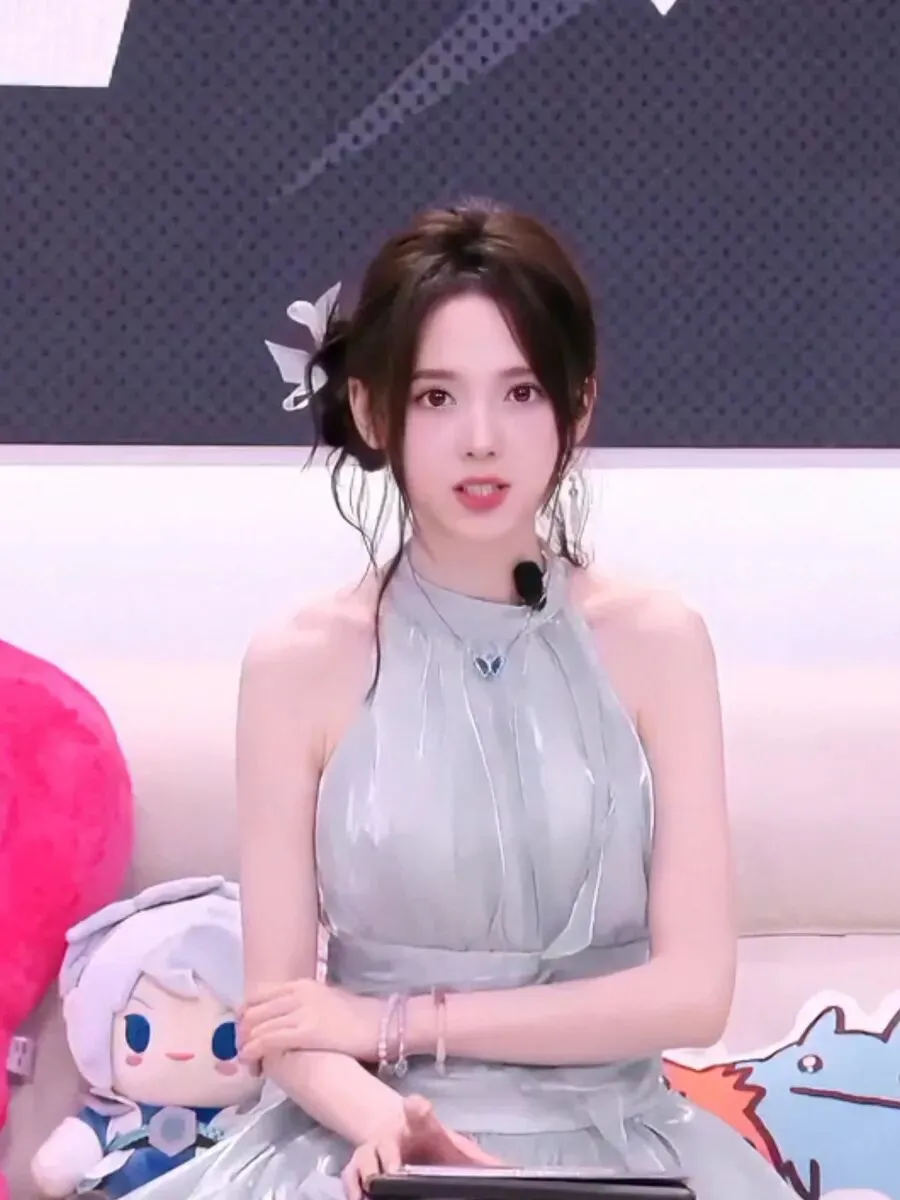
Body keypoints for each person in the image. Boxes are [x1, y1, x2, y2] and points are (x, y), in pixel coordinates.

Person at [129, 201, 794, 1200]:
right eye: (437, 397)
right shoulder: (296, 663)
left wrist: (396, 1022)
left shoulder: (659, 642)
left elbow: (694, 993)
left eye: (520, 392)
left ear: (577, 407)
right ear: (371, 412)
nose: (481, 440)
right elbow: (282, 1017)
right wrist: (386, 1121)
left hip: (620, 1141)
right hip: (363, 1143)